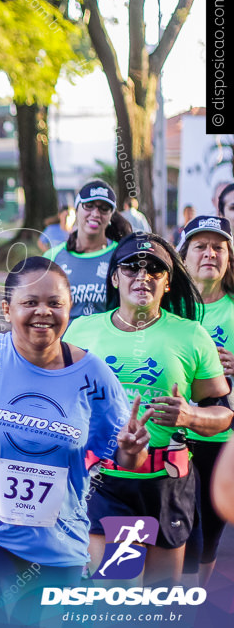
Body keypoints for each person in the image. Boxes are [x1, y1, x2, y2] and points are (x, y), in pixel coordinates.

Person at [0, 257, 148, 623]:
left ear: (69, 308)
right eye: (30, 302)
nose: (44, 312)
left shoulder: (95, 376)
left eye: (55, 303)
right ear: (7, 309)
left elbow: (124, 456)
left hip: (58, 538)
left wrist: (134, 449)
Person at [63, 233, 232, 585]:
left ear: (168, 282)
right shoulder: (82, 331)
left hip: (168, 485)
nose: (143, 276)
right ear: (114, 277)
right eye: (131, 268)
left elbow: (223, 413)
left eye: (155, 269)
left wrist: (190, 416)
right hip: (109, 484)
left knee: (159, 608)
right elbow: (58, 405)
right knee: (119, 599)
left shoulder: (191, 335)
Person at [177, 216, 234, 584]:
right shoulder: (167, 306)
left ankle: (195, 606)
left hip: (221, 439)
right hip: (169, 438)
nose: (209, 254)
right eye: (200, 246)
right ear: (183, 256)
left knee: (207, 539)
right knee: (170, 533)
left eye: (219, 247)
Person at [43, 181, 131, 320]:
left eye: (104, 209)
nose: (95, 214)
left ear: (110, 216)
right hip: (62, 340)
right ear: (77, 210)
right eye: (88, 206)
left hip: (105, 340)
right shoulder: (53, 256)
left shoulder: (122, 256)